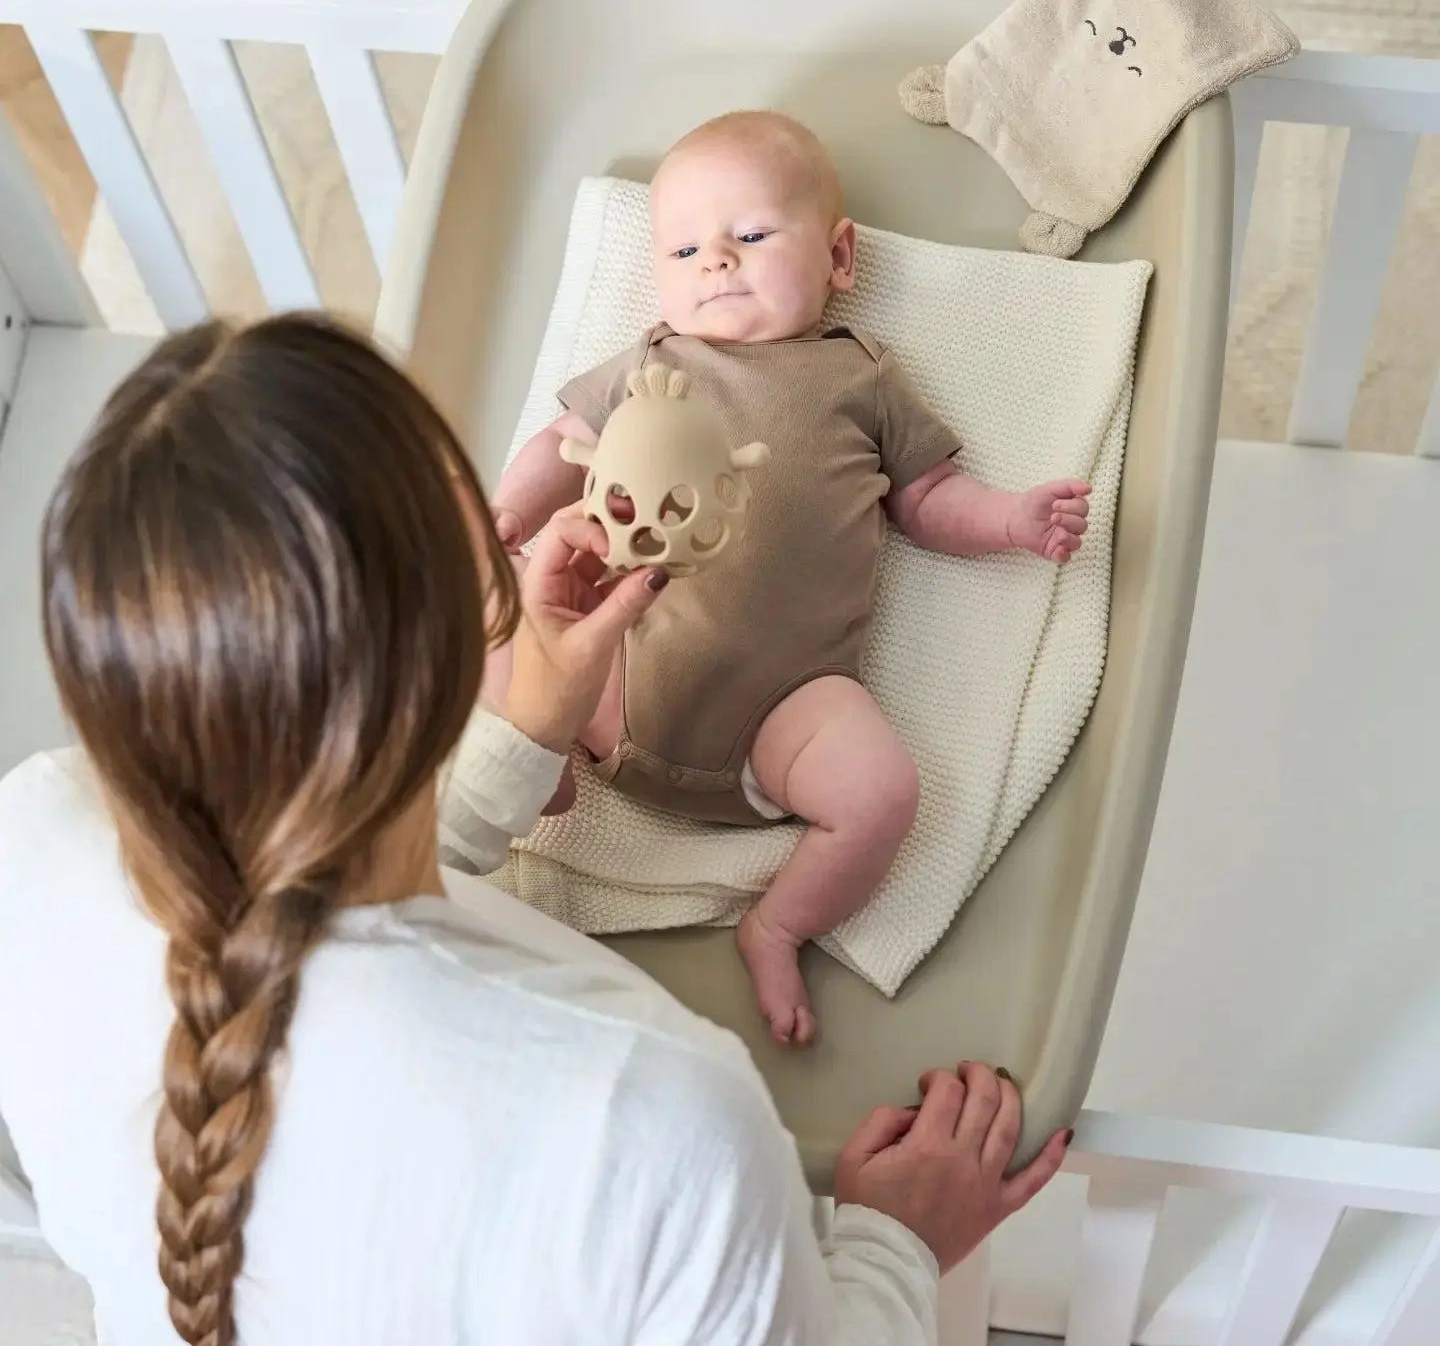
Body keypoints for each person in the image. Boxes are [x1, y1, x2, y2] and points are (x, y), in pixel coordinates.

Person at [0, 314, 1069, 1346]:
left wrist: (526, 736)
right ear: (451, 645)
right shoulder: (655, 1125)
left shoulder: (34, 834)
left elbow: (328, 883)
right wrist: (895, 1247)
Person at [488, 111, 1092, 1043]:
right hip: (611, 668)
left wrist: (1010, 519)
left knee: (882, 792)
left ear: (839, 257)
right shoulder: (654, 360)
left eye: (752, 235)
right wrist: (509, 519)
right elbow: (562, 444)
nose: (716, 261)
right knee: (491, 617)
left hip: (781, 713)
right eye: (684, 250)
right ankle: (543, 763)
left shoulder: (861, 378)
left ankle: (778, 926)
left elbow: (930, 498)